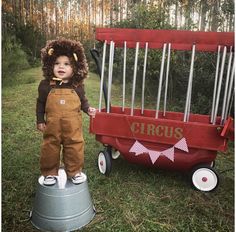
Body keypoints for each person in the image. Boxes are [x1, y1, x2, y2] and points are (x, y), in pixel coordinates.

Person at [36, 39, 96, 186]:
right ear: (50, 65)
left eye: (66, 64)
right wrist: (40, 120)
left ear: (75, 67)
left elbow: (83, 101)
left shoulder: (77, 86)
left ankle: (74, 172)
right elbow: (41, 103)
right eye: (57, 63)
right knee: (50, 147)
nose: (61, 66)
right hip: (52, 127)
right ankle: (50, 173)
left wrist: (88, 109)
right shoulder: (45, 85)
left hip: (72, 128)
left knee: (75, 147)